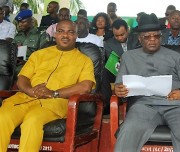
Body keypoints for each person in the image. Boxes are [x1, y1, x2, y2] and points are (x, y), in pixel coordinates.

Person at [0, 20, 95, 152]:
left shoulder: (84, 61)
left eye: (70, 32)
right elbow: (22, 78)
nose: (65, 35)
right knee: (2, 117)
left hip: (54, 103)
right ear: (55, 34)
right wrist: (30, 90)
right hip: (24, 98)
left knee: (32, 121)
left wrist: (54, 93)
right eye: (61, 31)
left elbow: (86, 86)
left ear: (76, 35)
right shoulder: (38, 55)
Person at [114, 13, 180, 152]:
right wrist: (119, 90)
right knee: (128, 130)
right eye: (147, 37)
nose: (153, 40)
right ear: (139, 38)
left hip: (176, 105)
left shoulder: (176, 56)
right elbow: (120, 85)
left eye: (156, 36)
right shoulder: (128, 57)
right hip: (143, 106)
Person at [102, 19, 140, 113]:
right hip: (118, 70)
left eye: (122, 34)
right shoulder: (109, 43)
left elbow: (139, 58)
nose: (119, 38)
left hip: (136, 69)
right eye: (116, 35)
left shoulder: (137, 39)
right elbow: (114, 62)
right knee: (105, 72)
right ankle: (107, 105)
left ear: (128, 30)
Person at [13, 10, 49, 74]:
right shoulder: (18, 36)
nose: (19, 25)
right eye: (18, 22)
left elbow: (44, 54)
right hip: (17, 65)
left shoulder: (41, 34)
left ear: (31, 21)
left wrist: (27, 62)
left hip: (34, 66)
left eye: (23, 22)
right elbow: (12, 51)